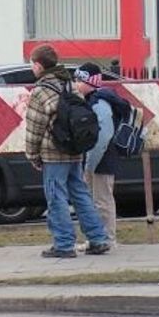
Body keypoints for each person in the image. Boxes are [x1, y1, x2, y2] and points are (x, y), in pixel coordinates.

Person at [24, 43, 111, 259]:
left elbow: (35, 126)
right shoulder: (69, 84)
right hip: (75, 150)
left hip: (53, 152)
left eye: (32, 64)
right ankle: (98, 239)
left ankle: (63, 244)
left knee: (56, 197)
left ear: (38, 65)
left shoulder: (41, 90)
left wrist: (32, 155)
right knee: (80, 194)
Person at [75, 61, 118, 248]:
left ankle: (108, 238)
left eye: (79, 79)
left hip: (101, 159)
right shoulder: (93, 100)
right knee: (95, 199)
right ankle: (96, 238)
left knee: (102, 200)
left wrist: (90, 164)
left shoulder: (99, 102)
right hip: (97, 158)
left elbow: (104, 134)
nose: (76, 83)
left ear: (90, 82)